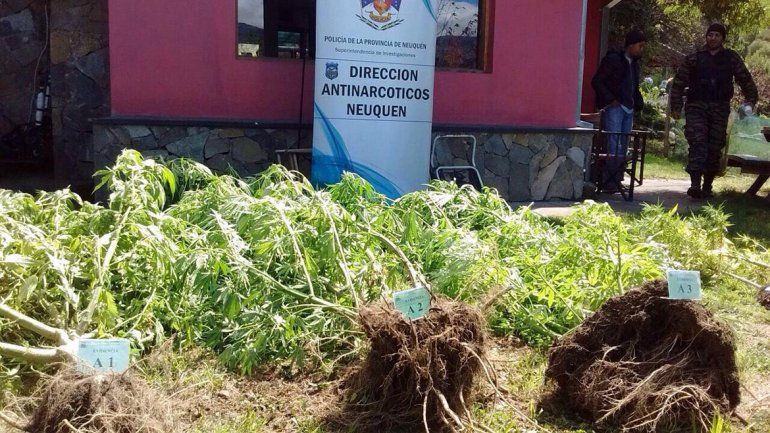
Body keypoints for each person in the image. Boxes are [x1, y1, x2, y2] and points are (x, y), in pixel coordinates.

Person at [670, 22, 758, 199]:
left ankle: (707, 185)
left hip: (719, 107)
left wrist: (750, 100)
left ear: (722, 38)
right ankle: (695, 184)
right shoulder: (694, 58)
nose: (713, 38)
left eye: (717, 35)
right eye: (710, 34)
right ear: (706, 37)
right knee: (698, 142)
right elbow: (678, 84)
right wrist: (676, 106)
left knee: (715, 146)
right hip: (697, 106)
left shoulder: (731, 58)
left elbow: (746, 80)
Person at [592, 29, 646, 191]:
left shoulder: (634, 65)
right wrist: (611, 100)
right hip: (615, 108)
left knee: (623, 144)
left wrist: (638, 102)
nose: (641, 49)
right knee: (613, 143)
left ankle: (618, 178)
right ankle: (610, 181)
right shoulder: (613, 59)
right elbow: (597, 81)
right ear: (631, 45)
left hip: (628, 109)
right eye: (640, 46)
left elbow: (633, 87)